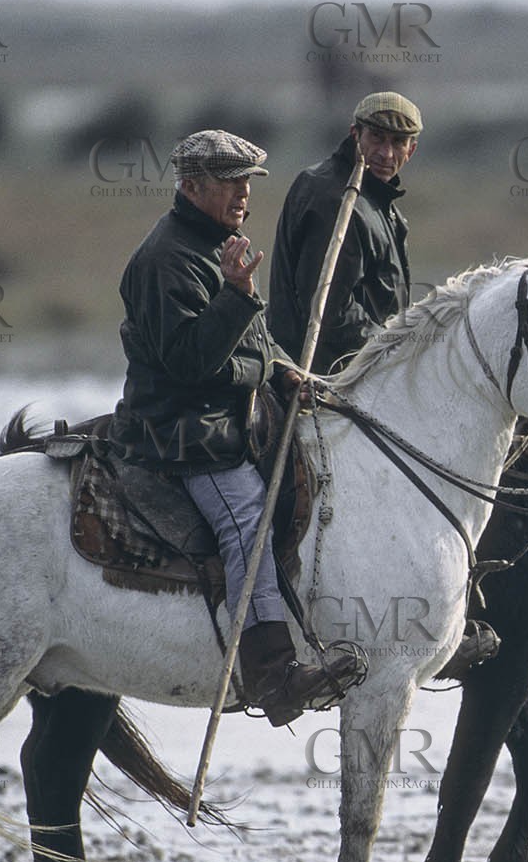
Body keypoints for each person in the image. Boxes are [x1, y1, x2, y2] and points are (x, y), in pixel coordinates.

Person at [108, 128, 362, 727]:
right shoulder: (164, 260)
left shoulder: (217, 244)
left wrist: (287, 369)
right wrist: (241, 300)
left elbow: (255, 343)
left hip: (227, 417)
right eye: (231, 183)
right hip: (185, 432)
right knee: (247, 513)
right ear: (192, 187)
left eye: (248, 183)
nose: (245, 194)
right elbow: (193, 364)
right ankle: (273, 672)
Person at [269, 91, 422, 373]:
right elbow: (329, 311)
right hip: (321, 380)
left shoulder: (378, 201)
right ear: (356, 135)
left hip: (362, 373)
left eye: (398, 142)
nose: (386, 153)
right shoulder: (336, 198)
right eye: (376, 137)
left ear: (411, 150)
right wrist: (396, 352)